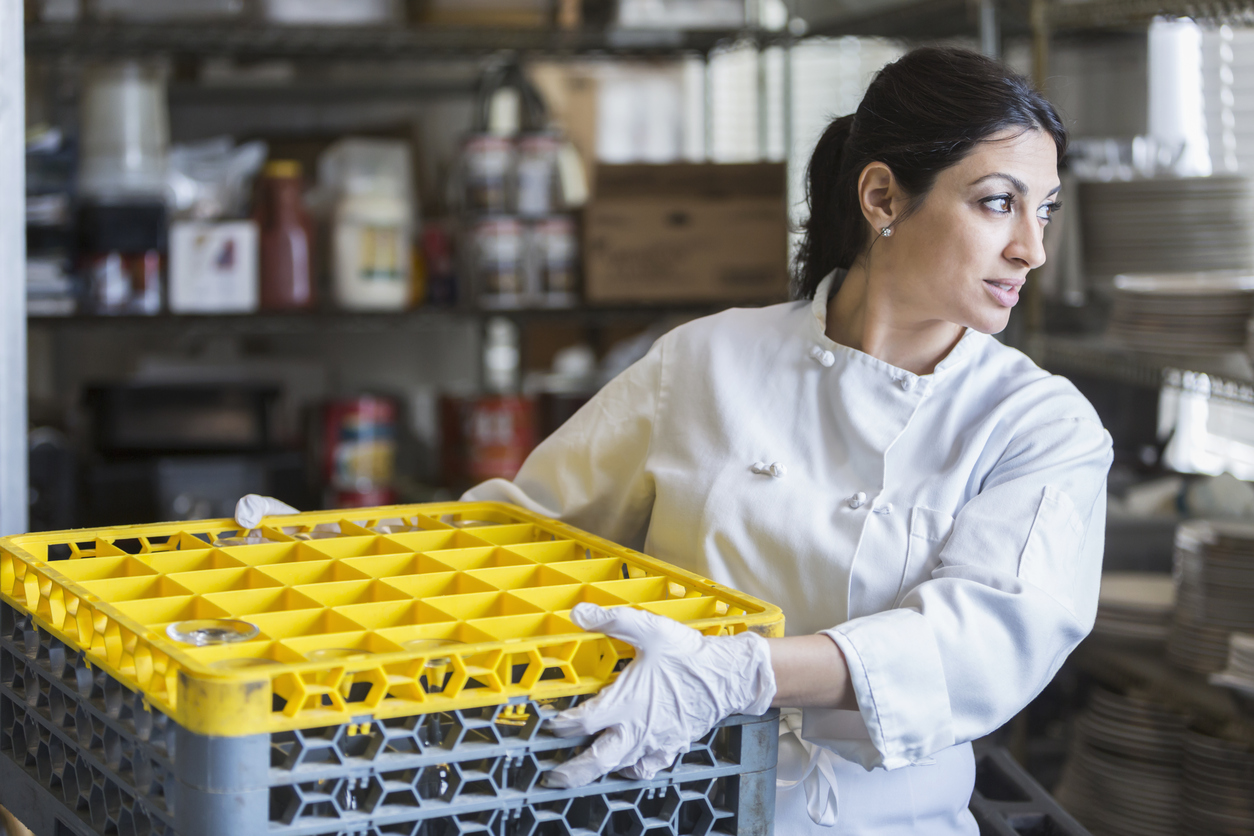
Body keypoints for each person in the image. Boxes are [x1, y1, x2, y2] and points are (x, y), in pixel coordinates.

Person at [237, 46, 1112, 835]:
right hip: (660, 809)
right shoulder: (710, 359)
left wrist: (740, 674)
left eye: (1046, 209)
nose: (1031, 248)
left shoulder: (1039, 426)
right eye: (998, 203)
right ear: (882, 196)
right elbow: (527, 531)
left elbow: (982, 640)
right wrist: (347, 558)